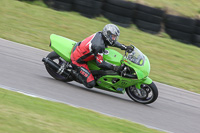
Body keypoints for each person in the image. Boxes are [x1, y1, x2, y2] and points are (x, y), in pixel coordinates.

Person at [70, 24, 134, 88]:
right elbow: (100, 63)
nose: (114, 39)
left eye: (115, 37)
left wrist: (125, 47)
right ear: (107, 34)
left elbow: (112, 42)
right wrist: (115, 68)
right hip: (78, 60)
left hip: (83, 49)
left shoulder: (101, 35)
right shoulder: (99, 46)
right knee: (91, 84)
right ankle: (73, 73)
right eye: (113, 36)